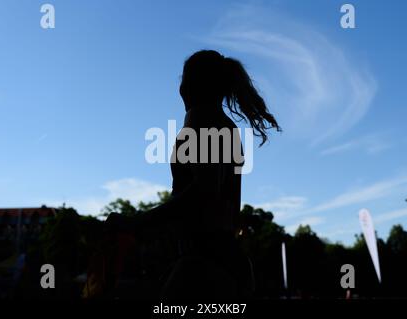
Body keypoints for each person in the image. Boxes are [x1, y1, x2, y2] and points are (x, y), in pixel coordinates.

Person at [106, 50, 281, 299]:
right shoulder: (222, 124)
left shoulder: (202, 119)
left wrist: (136, 222)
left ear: (191, 85)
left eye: (184, 78)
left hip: (205, 263)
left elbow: (203, 192)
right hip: (221, 261)